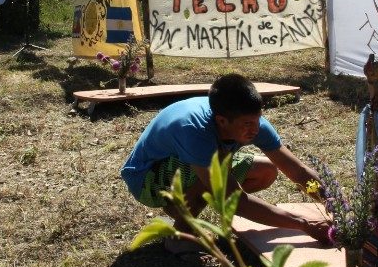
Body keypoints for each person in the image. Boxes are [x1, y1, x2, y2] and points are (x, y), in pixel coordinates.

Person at [121, 73, 331, 252]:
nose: (255, 129)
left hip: (184, 166)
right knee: (213, 178)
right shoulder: (195, 130)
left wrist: (334, 203)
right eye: (248, 124)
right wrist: (304, 224)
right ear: (222, 120)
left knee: (265, 170)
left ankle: (182, 207)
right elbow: (235, 200)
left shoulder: (251, 121)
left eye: (258, 119)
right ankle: (179, 238)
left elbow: (297, 171)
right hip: (146, 179)